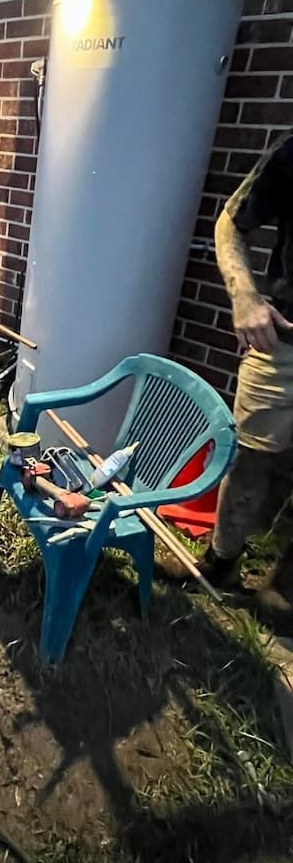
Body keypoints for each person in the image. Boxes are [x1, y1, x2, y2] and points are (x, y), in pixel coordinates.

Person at [193, 133, 293, 620]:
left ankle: (286, 591)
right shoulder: (292, 151)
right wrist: (244, 297)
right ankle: (221, 561)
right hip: (283, 345)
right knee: (250, 459)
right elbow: (231, 223)